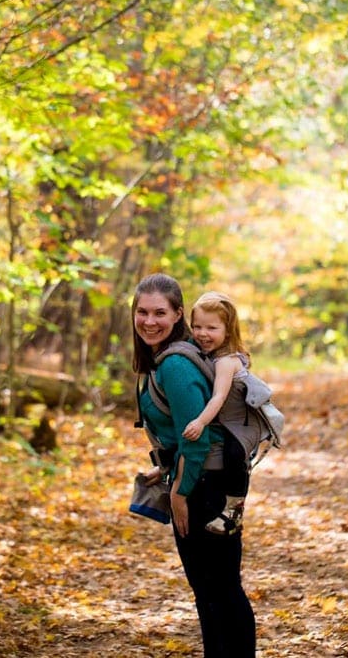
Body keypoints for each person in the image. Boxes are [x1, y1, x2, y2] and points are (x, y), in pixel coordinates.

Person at [132, 273, 255, 657]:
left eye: (159, 313)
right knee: (213, 590)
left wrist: (180, 493)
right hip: (203, 482)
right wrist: (165, 468)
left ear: (178, 314)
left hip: (204, 488)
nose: (149, 321)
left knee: (218, 590)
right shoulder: (171, 356)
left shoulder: (176, 365)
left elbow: (197, 439)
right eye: (142, 312)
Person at [181, 291, 255, 535]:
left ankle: (234, 511)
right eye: (197, 326)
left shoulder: (225, 360)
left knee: (234, 456)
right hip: (228, 419)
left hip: (239, 424)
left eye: (211, 328)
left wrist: (201, 422)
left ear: (228, 330)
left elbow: (219, 397)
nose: (202, 333)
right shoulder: (211, 354)